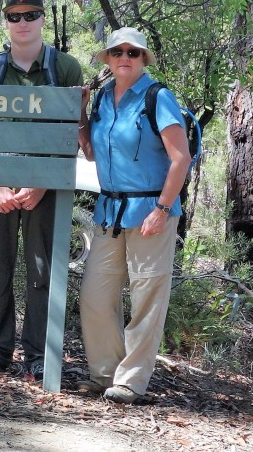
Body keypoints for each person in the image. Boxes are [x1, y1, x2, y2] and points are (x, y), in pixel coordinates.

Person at [0, 0, 83, 379]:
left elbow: (70, 134)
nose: (23, 23)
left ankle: (39, 354)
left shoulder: (65, 68)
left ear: (42, 19)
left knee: (42, 271)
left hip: (45, 188)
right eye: (15, 16)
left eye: (30, 15)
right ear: (6, 22)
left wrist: (41, 184)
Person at [76, 27, 191, 404]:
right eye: (118, 51)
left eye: (134, 52)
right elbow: (93, 153)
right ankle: (106, 373)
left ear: (143, 59)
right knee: (94, 296)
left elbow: (180, 158)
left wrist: (161, 209)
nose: (125, 57)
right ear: (108, 58)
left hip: (150, 211)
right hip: (110, 210)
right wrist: (80, 113)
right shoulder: (104, 99)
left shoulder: (158, 97)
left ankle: (131, 381)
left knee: (146, 299)